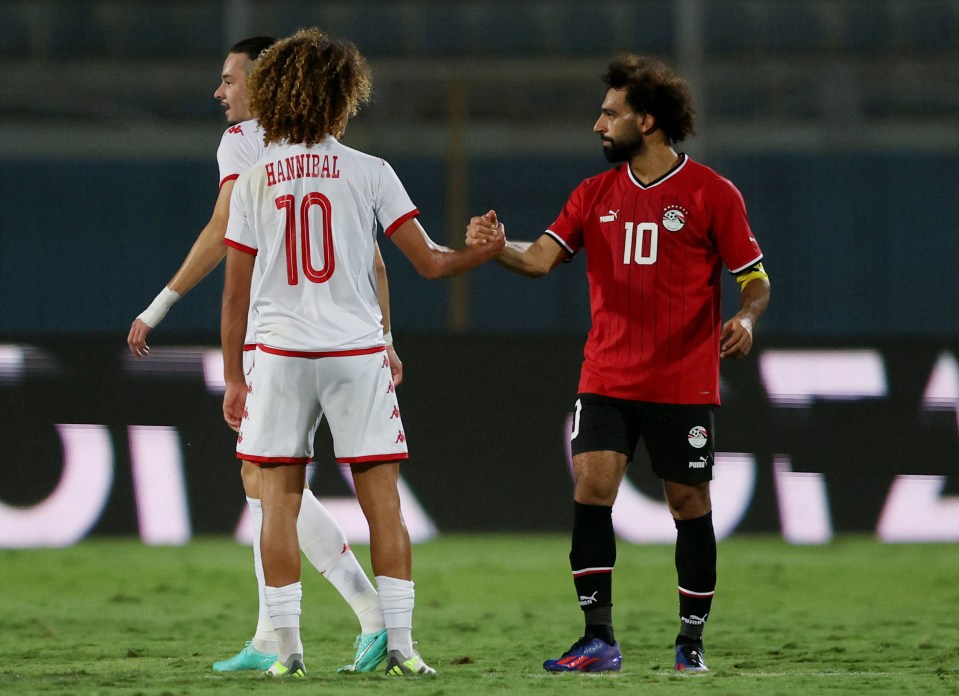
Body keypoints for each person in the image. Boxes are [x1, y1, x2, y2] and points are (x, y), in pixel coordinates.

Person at [466, 54, 770, 674]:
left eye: (610, 113)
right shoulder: (592, 195)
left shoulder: (712, 194)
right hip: (606, 376)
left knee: (687, 502)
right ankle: (598, 638)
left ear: (649, 120)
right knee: (592, 487)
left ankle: (690, 641)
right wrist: (499, 249)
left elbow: (755, 279)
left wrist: (745, 318)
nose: (597, 125)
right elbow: (539, 259)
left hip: (682, 380)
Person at [221, 27, 504, 678]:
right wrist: (483, 253)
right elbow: (429, 265)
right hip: (355, 349)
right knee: (383, 502)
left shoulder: (254, 178)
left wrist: (235, 375)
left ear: (277, 96)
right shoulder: (370, 171)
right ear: (342, 101)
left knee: (276, 500)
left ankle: (287, 652)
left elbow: (235, 294)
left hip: (281, 351)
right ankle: (401, 646)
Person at [127, 37, 395, 674]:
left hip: (278, 334)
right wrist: (386, 338)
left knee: (267, 480)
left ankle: (364, 615)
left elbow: (223, 230)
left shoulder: (245, 142)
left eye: (230, 79)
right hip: (343, 332)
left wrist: (158, 306)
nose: (221, 92)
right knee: (268, 482)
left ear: (265, 81)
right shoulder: (332, 156)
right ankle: (274, 633)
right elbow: (376, 261)